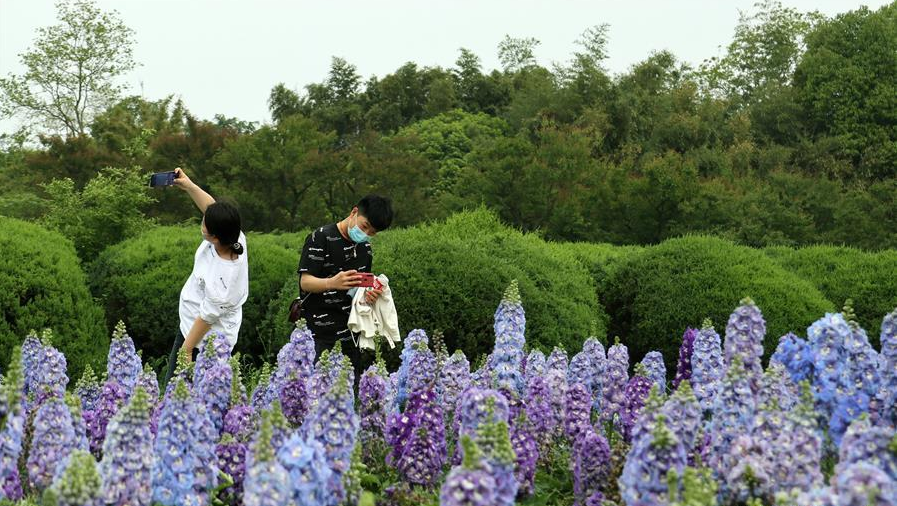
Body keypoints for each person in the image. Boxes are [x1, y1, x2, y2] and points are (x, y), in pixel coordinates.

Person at [162, 167, 249, 387]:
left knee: (181, 394)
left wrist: (187, 350)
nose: (202, 221)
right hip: (189, 325)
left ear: (214, 236)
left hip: (205, 343)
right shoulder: (234, 237)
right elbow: (211, 208)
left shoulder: (224, 279)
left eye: (204, 223)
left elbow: (207, 318)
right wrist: (188, 185)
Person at [298, 195, 394, 381]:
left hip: (351, 334)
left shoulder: (365, 248)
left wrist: (370, 295)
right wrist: (331, 283)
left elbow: (359, 291)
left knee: (348, 391)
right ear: (354, 212)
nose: (365, 234)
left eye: (372, 232)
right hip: (318, 335)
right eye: (364, 226)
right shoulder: (320, 237)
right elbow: (305, 282)